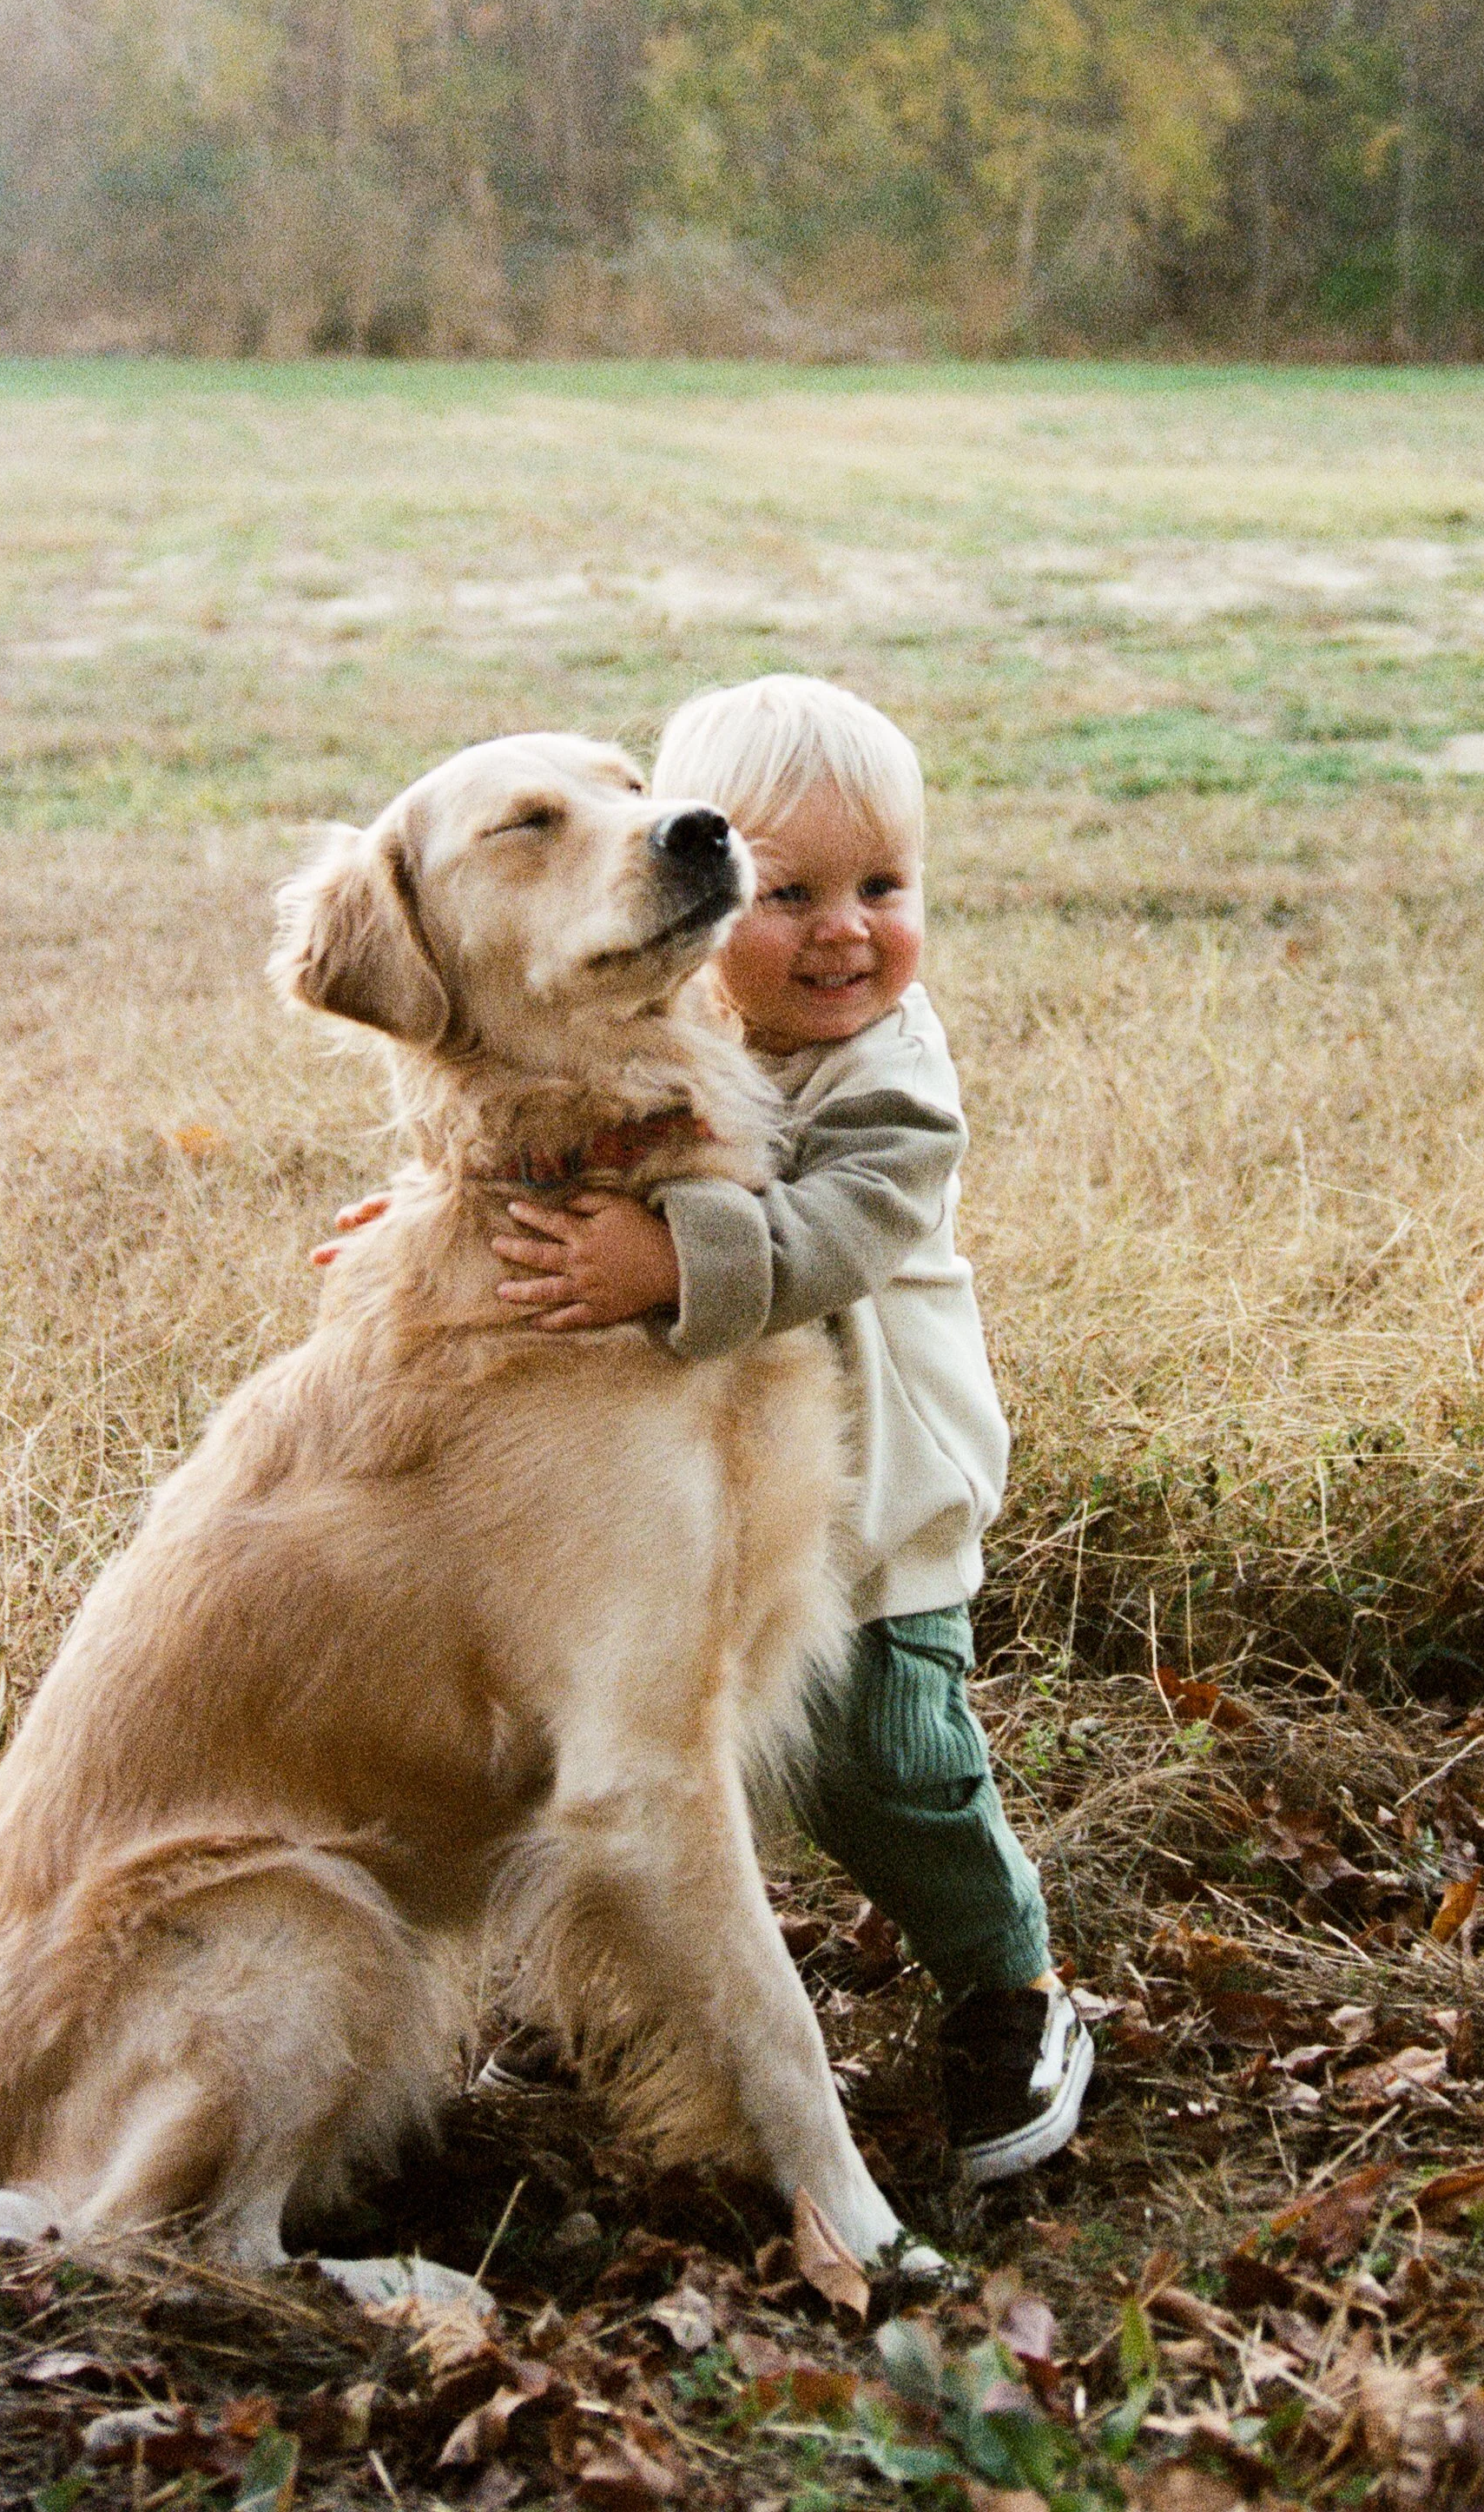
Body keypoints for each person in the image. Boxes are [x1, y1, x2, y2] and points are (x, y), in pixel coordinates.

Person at [491, 673, 1093, 2185]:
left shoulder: (891, 1069)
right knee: (645, 1745)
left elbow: (837, 1228)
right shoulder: (658, 1018)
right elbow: (562, 1139)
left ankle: (1007, 1984)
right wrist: (452, 1211)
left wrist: (670, 1262)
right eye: (791, 889)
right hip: (699, 1500)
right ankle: (618, 2003)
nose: (847, 931)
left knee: (887, 1761)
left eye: (884, 887)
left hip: (871, 1504)